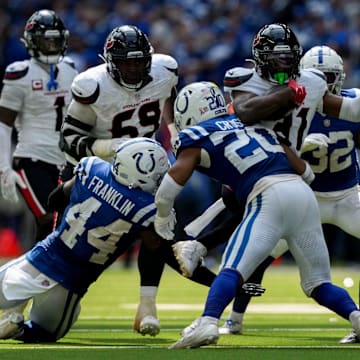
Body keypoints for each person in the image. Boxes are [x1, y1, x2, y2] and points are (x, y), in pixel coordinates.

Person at [171, 24, 360, 336]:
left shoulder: (308, 83)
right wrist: (290, 94)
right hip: (300, 188)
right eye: (277, 57)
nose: (283, 64)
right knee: (312, 279)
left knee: (236, 261)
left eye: (288, 57)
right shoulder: (284, 83)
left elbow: (349, 109)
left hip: (278, 185)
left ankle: (207, 318)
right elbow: (245, 112)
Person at [59, 24, 219, 337]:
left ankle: (148, 305)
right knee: (74, 242)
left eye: (138, 61)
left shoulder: (164, 70)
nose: (133, 68)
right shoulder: (91, 85)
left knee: (156, 230)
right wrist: (112, 147)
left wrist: (172, 130)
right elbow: (68, 140)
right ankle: (45, 296)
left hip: (145, 168)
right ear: (110, 61)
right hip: (98, 168)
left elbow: (168, 99)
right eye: (125, 62)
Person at [0, 137, 170, 342]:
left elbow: (54, 201)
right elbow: (156, 247)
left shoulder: (92, 168)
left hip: (41, 259)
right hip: (70, 284)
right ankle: (19, 330)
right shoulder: (147, 208)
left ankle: (13, 311)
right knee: (44, 333)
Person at [0, 8, 77, 333]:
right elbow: (3, 124)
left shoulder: (73, 69)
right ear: (32, 41)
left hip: (63, 159)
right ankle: (15, 301)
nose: (50, 45)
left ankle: (25, 298)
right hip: (31, 158)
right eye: (45, 40)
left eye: (55, 40)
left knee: (59, 228)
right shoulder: (19, 72)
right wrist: (3, 165)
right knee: (48, 221)